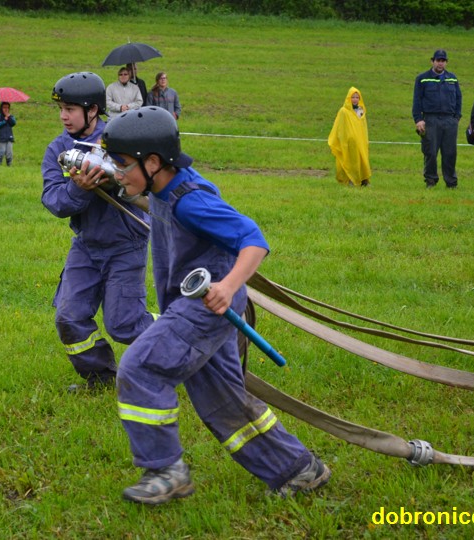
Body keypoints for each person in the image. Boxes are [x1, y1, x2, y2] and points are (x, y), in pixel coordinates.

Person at [101, 106, 330, 505]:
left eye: (122, 164)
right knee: (221, 399)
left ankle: (166, 470)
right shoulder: (158, 186)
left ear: (153, 162)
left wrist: (228, 285)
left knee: (141, 367)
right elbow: (124, 182)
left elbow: (253, 239)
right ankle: (298, 470)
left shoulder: (191, 202)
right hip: (200, 308)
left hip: (204, 308)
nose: (118, 173)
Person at [41, 72, 154, 391]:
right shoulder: (58, 149)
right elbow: (54, 201)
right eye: (61, 109)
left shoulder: (119, 139)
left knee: (124, 324)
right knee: (69, 317)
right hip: (87, 245)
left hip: (126, 242)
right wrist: (81, 189)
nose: (64, 116)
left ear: (93, 110)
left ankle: (180, 336)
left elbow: (148, 184)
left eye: (71, 108)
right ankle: (101, 378)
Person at [412, 49, 462, 189]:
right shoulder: (422, 78)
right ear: (432, 61)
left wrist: (456, 117)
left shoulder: (452, 78)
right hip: (430, 119)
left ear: (446, 62)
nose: (440, 63)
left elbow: (459, 98)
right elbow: (417, 100)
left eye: (443, 61)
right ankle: (430, 180)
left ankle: (451, 182)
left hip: (449, 120)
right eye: (438, 60)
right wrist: (418, 119)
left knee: (450, 152)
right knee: (430, 152)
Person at [328, 87, 371, 187]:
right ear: (349, 98)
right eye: (353, 97)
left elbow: (362, 127)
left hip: (360, 141)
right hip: (349, 141)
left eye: (357, 97)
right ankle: (351, 179)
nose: (355, 99)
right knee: (351, 160)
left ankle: (364, 180)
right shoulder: (343, 111)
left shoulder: (361, 111)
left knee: (363, 159)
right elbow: (340, 127)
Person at [0, 102, 16, 166]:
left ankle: (9, 165)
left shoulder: (11, 116)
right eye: (4, 107)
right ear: (1, 108)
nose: (6, 109)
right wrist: (4, 120)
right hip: (1, 138)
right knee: (1, 152)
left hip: (9, 137)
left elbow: (13, 123)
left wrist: (8, 117)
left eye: (7, 107)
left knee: (9, 153)